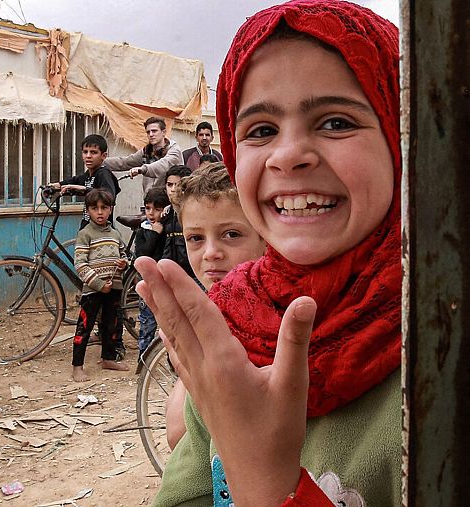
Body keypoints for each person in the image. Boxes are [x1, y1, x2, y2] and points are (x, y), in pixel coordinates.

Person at [138, 1, 401, 504]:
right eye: (260, 131)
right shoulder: (229, 326)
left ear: (398, 135)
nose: (288, 155)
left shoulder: (437, 341)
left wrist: (263, 479)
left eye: (337, 121)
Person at [160, 162, 266, 450]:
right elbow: (176, 435)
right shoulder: (206, 312)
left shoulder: (274, 316)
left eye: (231, 234)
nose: (211, 253)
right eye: (195, 238)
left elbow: (178, 434)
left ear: (265, 236)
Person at [71, 189, 130, 382]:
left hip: (113, 289)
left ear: (110, 209)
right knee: (85, 326)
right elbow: (80, 264)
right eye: (94, 208)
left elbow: (124, 256)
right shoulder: (85, 234)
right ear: (88, 210)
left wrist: (124, 264)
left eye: (104, 208)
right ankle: (77, 366)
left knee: (111, 326)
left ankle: (108, 358)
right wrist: (97, 284)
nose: (100, 212)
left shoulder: (115, 233)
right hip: (93, 291)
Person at [49, 134, 121, 230]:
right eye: (85, 152)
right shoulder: (89, 174)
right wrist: (56, 185)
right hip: (88, 224)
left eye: (93, 152)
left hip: (100, 229)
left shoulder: (104, 174)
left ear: (103, 156)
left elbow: (108, 196)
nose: (88, 156)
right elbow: (76, 181)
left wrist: (83, 189)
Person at [132, 187, 170, 367]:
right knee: (147, 324)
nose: (152, 213)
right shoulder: (144, 231)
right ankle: (144, 362)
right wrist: (155, 233)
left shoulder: (169, 230)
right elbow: (143, 254)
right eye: (148, 208)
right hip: (147, 284)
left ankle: (170, 360)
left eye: (157, 209)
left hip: (165, 284)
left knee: (169, 324)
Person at [104, 116, 183, 191]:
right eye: (148, 132)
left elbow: (163, 165)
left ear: (164, 132)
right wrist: (99, 161)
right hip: (150, 200)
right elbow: (125, 162)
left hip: (170, 199)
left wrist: (142, 169)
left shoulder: (174, 150)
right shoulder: (147, 151)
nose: (151, 135)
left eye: (154, 131)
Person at [159, 166, 197, 282]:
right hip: (169, 272)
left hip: (193, 274)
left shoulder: (195, 212)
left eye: (178, 185)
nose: (173, 189)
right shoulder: (165, 214)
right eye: (169, 185)